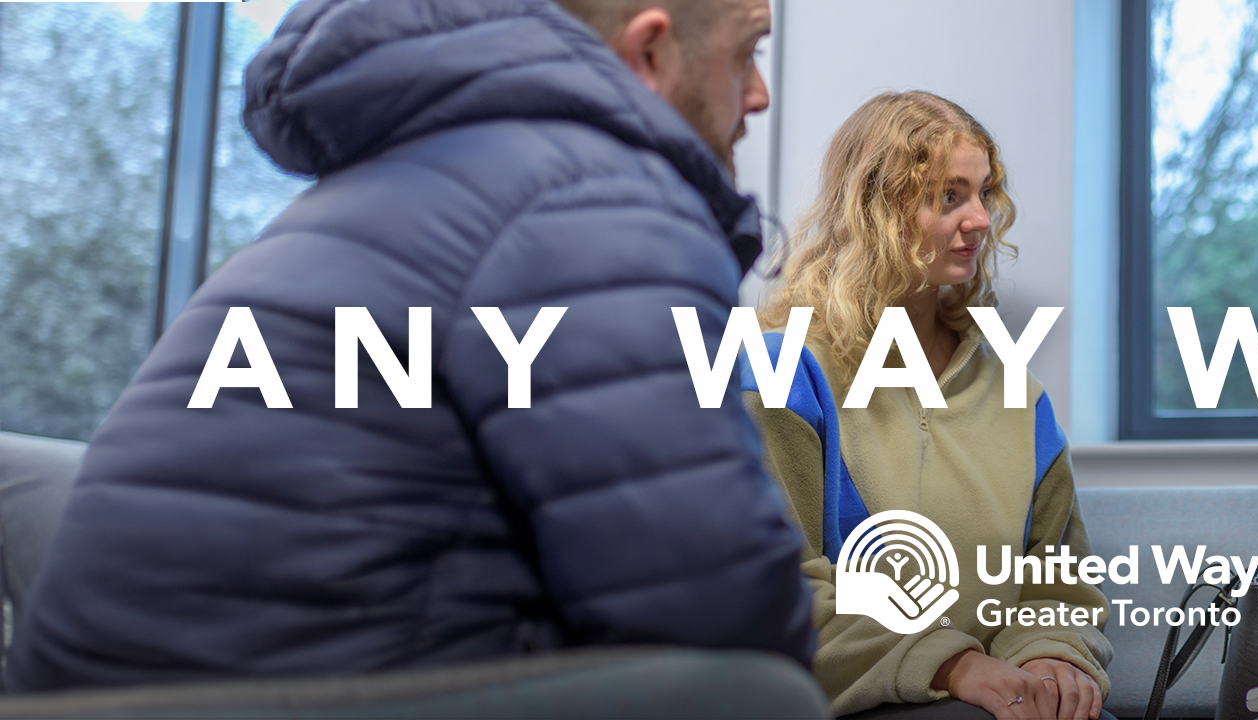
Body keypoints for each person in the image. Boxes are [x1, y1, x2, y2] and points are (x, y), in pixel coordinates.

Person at [6, 0, 814, 691]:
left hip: (136, 692)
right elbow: (711, 604)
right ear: (649, 52)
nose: (760, 94)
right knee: (755, 693)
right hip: (279, 699)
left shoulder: (424, 180)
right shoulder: (595, 199)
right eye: (746, 52)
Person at [745, 91, 1112, 720]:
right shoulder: (781, 372)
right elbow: (773, 591)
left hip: (994, 700)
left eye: (983, 194)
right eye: (948, 196)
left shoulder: (1020, 397)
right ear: (874, 209)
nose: (980, 220)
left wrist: (1051, 653)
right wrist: (952, 664)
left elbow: (1057, 584)